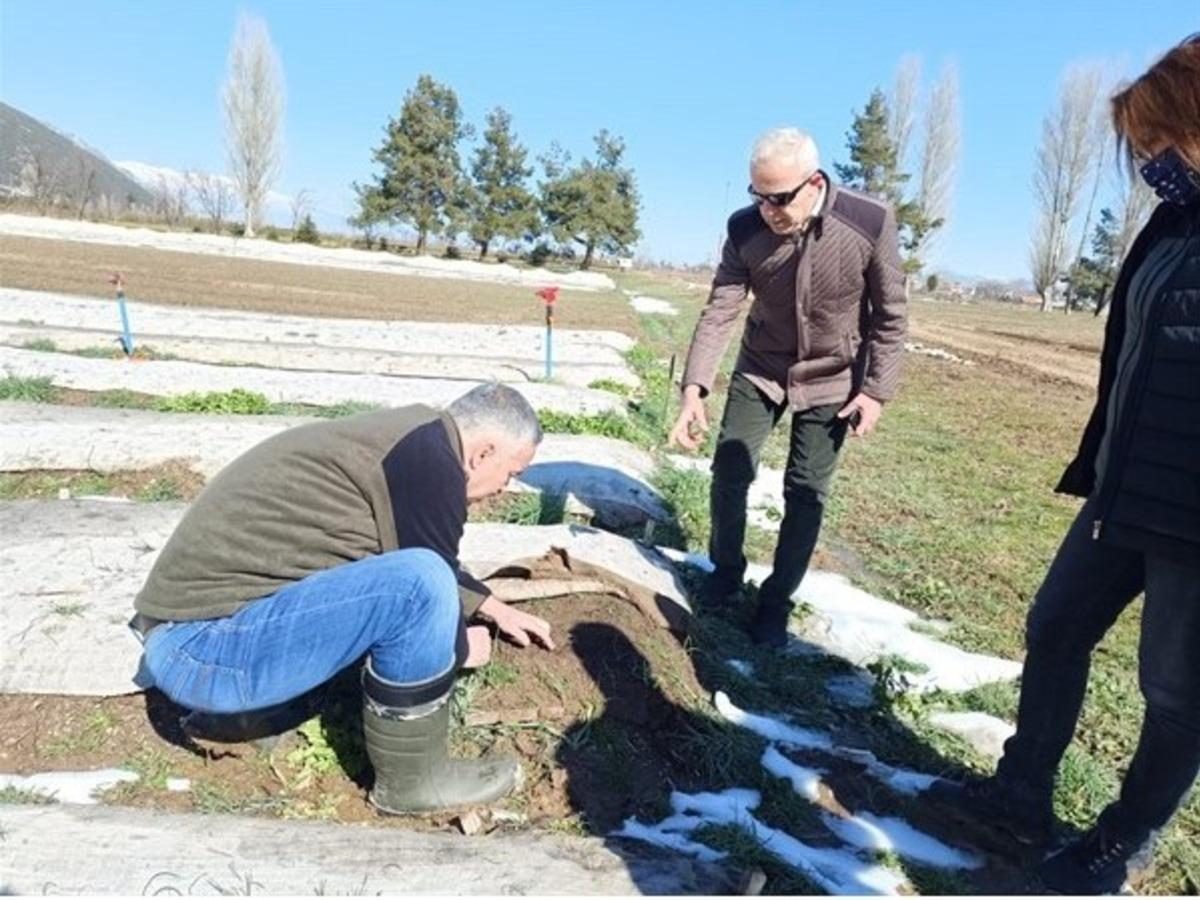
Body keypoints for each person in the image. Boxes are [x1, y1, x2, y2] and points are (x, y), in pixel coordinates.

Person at [927, 34, 1200, 894]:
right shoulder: (1174, 221)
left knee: (1175, 692)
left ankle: (1123, 840)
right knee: (1055, 626)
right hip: (1126, 488)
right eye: (1143, 148)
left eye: (1161, 139)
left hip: (1193, 513)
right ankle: (1020, 791)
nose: (1151, 162)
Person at [129, 382, 555, 814]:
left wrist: (491, 608)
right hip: (204, 653)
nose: (506, 487)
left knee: (413, 575)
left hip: (193, 637)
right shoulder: (432, 465)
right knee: (419, 582)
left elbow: (407, 547)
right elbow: (427, 570)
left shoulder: (416, 439)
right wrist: (459, 646)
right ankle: (415, 783)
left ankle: (252, 719)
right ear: (483, 453)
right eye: (511, 473)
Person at [668, 127, 907, 647]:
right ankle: (725, 574)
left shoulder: (869, 222)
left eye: (779, 198)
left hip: (834, 376)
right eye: (758, 196)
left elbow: (890, 315)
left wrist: (875, 390)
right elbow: (721, 310)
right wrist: (694, 389)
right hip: (761, 366)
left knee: (806, 491)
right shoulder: (744, 229)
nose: (768, 209)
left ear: (814, 182)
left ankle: (775, 602)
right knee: (730, 468)